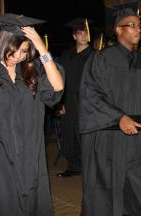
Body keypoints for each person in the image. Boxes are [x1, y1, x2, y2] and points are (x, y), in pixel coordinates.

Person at [78, 3, 141, 216]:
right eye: (131, 25)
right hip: (107, 138)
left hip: (133, 138)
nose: (138, 30)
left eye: (139, 25)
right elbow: (91, 95)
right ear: (118, 29)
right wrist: (119, 117)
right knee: (100, 187)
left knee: (136, 181)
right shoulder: (101, 58)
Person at [0, 13, 64, 216]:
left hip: (29, 157)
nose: (20, 56)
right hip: (0, 156)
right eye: (16, 50)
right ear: (2, 44)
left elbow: (57, 86)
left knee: (30, 209)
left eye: (25, 51)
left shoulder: (29, 77)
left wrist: (42, 49)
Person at [57, 18, 94, 177]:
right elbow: (60, 78)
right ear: (74, 36)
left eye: (86, 33)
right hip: (69, 100)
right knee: (69, 133)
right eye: (80, 33)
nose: (83, 36)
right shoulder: (67, 55)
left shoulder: (94, 56)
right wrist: (60, 101)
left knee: (84, 134)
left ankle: (88, 167)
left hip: (87, 101)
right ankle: (73, 166)